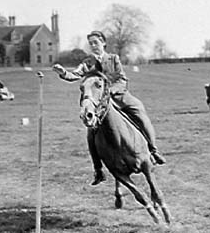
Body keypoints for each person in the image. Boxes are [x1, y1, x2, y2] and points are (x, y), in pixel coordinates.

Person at [52, 30, 166, 186]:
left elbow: (122, 79)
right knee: (91, 133)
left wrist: (111, 91)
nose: (93, 46)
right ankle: (98, 170)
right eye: (90, 43)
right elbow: (75, 75)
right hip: (100, 104)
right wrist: (63, 72)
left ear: (103, 43)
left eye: (96, 42)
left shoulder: (113, 59)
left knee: (139, 110)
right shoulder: (88, 62)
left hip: (119, 97)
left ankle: (153, 150)